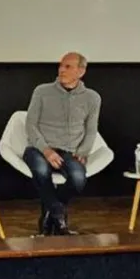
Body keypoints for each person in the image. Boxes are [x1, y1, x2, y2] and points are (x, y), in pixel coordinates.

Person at [23, 52, 102, 236]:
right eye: (60, 65)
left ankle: (50, 213)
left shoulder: (92, 98)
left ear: (81, 71)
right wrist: (46, 150)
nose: (61, 70)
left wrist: (83, 151)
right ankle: (59, 214)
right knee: (41, 171)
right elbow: (30, 125)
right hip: (39, 149)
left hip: (70, 151)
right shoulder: (42, 91)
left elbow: (91, 130)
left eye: (68, 67)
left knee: (78, 179)